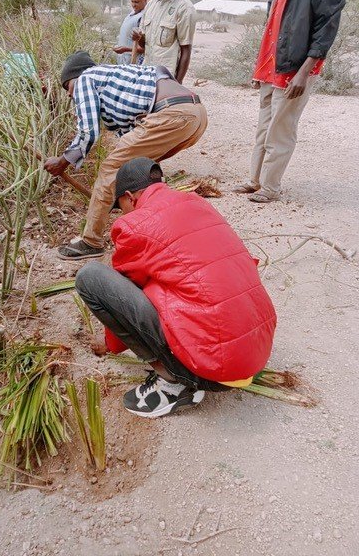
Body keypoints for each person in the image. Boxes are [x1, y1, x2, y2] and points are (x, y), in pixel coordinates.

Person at [75, 158, 276, 418]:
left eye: (120, 206)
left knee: (90, 277)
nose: (122, 212)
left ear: (129, 197)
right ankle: (186, 370)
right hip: (256, 353)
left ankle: (172, 381)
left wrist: (110, 344)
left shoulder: (134, 225)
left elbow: (124, 292)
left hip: (213, 369)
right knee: (178, 281)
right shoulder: (198, 203)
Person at [43, 51, 208, 260]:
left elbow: (88, 133)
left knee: (110, 167)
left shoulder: (86, 78)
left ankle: (91, 242)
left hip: (171, 115)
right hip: (196, 115)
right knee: (141, 170)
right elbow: (131, 138)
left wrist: (62, 161)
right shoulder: (120, 76)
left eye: (67, 87)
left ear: (76, 77)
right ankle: (156, 231)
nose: (69, 95)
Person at [234, 0, 349, 203]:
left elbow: (327, 20)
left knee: (281, 127)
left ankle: (270, 187)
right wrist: (260, 65)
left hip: (296, 63)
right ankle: (255, 180)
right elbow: (275, 17)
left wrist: (306, 70)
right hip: (273, 61)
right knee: (264, 124)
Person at [131, 0, 196, 83]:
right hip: (146, 76)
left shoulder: (184, 8)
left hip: (166, 81)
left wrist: (177, 85)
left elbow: (186, 51)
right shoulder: (151, 6)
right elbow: (145, 46)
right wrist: (139, 38)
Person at [113, 0, 149, 65]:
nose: (134, 4)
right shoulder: (131, 14)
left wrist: (125, 49)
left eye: (137, 2)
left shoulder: (143, 18)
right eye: (132, 1)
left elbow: (145, 49)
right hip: (122, 60)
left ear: (145, 0)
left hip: (132, 62)